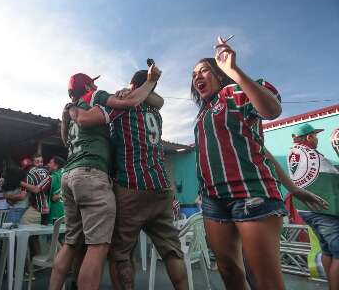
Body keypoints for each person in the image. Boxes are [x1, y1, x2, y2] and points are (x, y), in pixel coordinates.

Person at [189, 38, 330, 290]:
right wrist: (292, 187)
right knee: (229, 271)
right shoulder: (203, 114)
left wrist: (235, 72)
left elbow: (272, 110)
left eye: (203, 70)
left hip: (251, 196)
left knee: (264, 281)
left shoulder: (233, 93)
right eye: (193, 74)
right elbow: (260, 150)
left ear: (219, 74)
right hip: (213, 201)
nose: (197, 76)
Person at [68, 67, 188, 290]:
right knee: (172, 251)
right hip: (161, 187)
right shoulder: (156, 112)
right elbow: (157, 100)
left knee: (120, 253)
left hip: (131, 187)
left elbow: (93, 117)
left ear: (133, 85)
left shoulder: (124, 105)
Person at [49, 68, 163, 290]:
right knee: (98, 246)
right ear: (90, 87)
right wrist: (149, 82)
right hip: (91, 174)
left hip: (69, 175)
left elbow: (65, 140)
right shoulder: (96, 97)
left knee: (71, 243)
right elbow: (132, 102)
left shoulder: (72, 110)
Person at [287, 123, 339, 289]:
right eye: (315, 136)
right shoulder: (312, 155)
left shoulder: (295, 153)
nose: (317, 139)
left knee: (327, 251)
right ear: (309, 137)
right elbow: (331, 177)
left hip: (306, 209)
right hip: (322, 210)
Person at [47, 156, 66, 225]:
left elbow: (53, 198)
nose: (48, 164)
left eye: (50, 162)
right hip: (66, 212)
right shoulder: (68, 174)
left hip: (55, 211)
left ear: (56, 166)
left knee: (53, 233)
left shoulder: (54, 177)